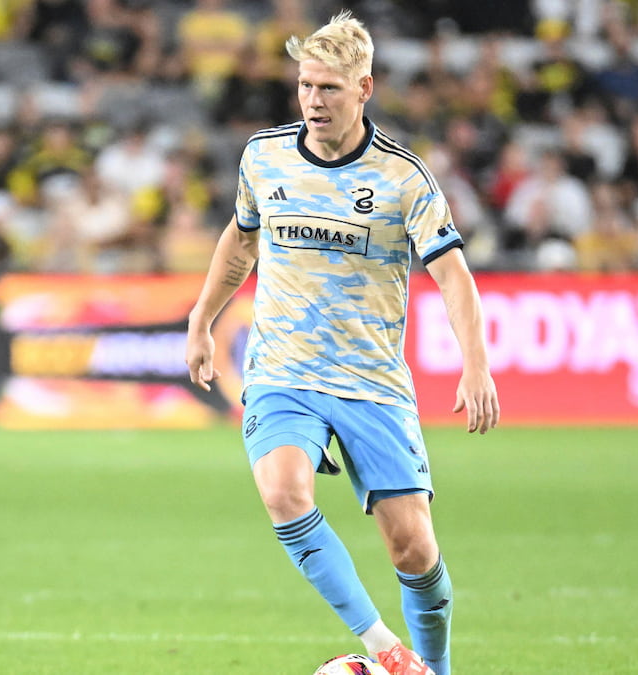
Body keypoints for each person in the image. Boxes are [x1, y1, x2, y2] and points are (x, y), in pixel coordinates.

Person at [185, 12, 499, 675]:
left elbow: (452, 275)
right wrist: (202, 319)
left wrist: (476, 364)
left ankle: (435, 669)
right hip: (281, 369)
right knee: (283, 489)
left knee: (413, 548)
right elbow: (240, 241)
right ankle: (384, 645)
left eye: (329, 88)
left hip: (370, 380)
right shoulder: (264, 156)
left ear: (365, 88)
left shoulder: (403, 178)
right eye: (305, 86)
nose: (313, 101)